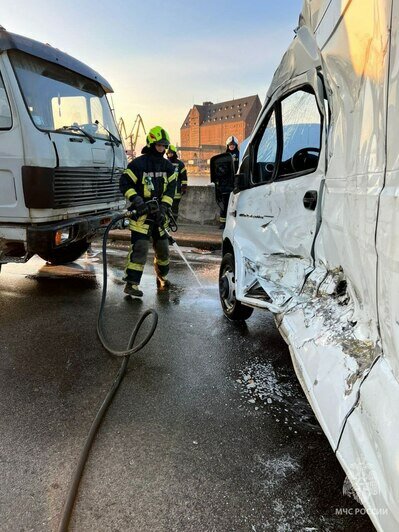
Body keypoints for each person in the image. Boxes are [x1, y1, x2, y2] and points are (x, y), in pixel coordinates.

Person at [119, 126, 177, 297]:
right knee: (140, 248)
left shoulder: (168, 167)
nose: (162, 148)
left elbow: (171, 189)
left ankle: (162, 277)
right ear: (151, 144)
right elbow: (124, 183)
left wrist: (164, 208)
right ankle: (131, 284)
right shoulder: (138, 164)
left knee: (163, 250)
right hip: (142, 216)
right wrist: (137, 201)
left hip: (159, 216)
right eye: (159, 145)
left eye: (164, 146)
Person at [217, 136, 240, 229]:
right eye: (230, 145)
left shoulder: (240, 155)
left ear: (236, 145)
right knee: (225, 204)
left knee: (236, 205)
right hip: (225, 184)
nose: (232, 146)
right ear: (227, 145)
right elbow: (219, 169)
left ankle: (235, 223)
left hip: (237, 183)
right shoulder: (224, 156)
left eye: (233, 145)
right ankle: (223, 223)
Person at [166, 144, 187, 222]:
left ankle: (173, 221)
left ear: (174, 153)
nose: (170, 155)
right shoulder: (165, 163)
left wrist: (184, 187)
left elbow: (184, 177)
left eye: (171, 153)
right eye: (168, 153)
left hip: (176, 191)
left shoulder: (180, 164)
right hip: (166, 191)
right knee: (166, 206)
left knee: (175, 207)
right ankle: (167, 220)